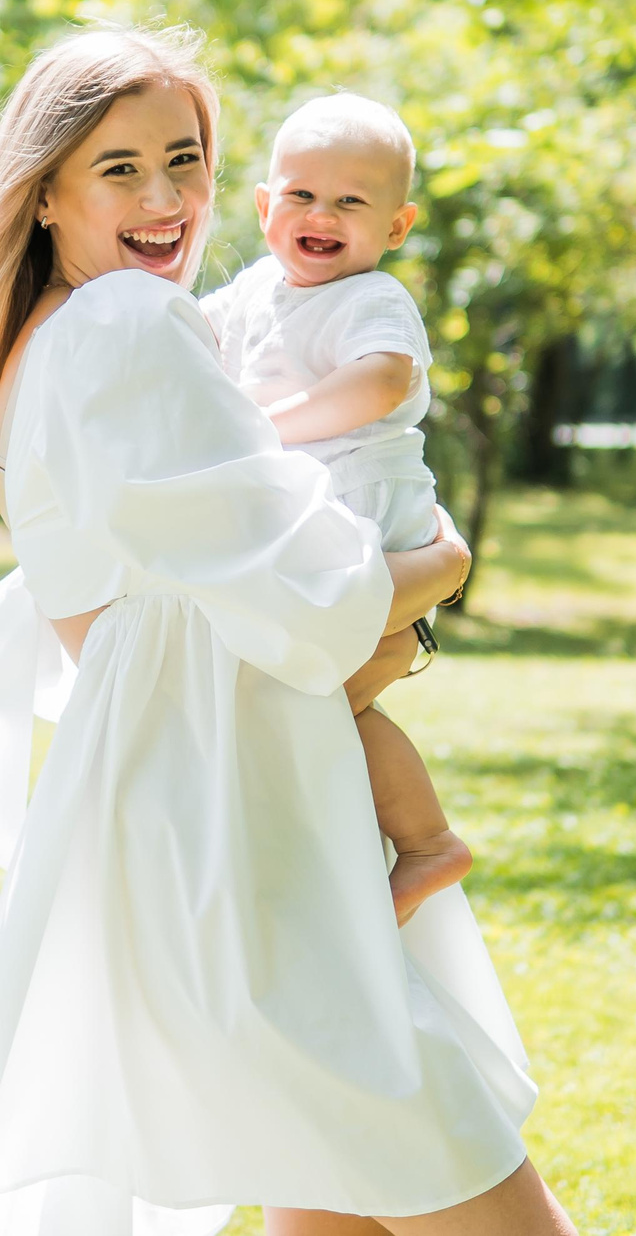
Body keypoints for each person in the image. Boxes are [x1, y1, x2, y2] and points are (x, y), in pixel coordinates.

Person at [0, 25, 577, 1236]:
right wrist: (440, 567)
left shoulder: (37, 342)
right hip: (235, 826)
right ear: (44, 189)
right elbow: (302, 590)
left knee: (328, 1169)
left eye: (187, 160)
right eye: (119, 169)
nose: (166, 201)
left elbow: (133, 604)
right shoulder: (127, 325)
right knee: (430, 1150)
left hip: (180, 816)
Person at [203, 92, 468, 925]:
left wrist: (266, 428)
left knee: (300, 708)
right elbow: (192, 340)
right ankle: (406, 846)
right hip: (321, 533)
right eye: (302, 194)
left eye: (351, 201)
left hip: (369, 525)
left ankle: (423, 842)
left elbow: (381, 381)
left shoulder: (371, 299)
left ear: (397, 225)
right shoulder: (256, 289)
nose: (322, 215)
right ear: (264, 206)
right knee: (320, 711)